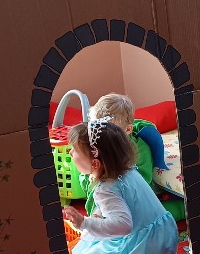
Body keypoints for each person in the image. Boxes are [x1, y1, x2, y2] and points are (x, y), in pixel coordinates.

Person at [63, 118, 179, 254]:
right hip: (163, 237)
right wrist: (97, 217)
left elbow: (123, 225)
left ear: (95, 164)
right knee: (93, 240)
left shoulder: (105, 189)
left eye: (74, 151)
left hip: (142, 247)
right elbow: (124, 205)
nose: (70, 153)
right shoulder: (128, 171)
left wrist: (85, 223)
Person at [79, 93, 185, 222]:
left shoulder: (139, 149)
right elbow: (85, 175)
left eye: (110, 133)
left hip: (136, 197)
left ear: (128, 129)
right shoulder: (96, 144)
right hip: (107, 195)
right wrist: (90, 178)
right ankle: (100, 215)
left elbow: (143, 181)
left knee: (149, 217)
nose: (103, 138)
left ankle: (183, 208)